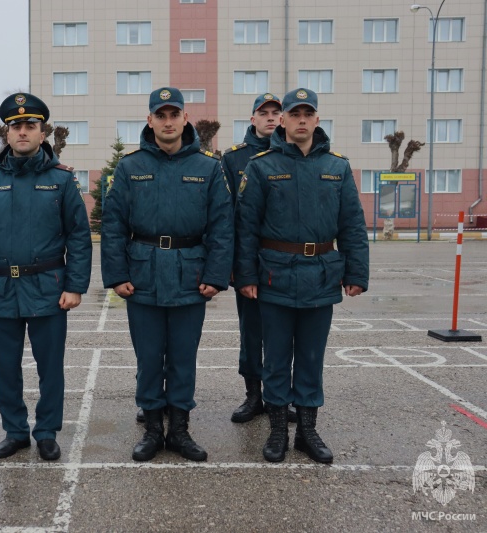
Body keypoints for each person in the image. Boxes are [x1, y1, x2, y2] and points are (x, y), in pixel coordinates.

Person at [235, 88, 369, 463]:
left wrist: (356, 271)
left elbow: (352, 225)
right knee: (275, 357)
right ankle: (278, 430)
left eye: (308, 114)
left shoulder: (338, 167)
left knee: (311, 357)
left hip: (322, 275)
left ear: (317, 119)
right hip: (275, 276)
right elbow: (246, 228)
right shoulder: (261, 166)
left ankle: (307, 430)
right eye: (295, 114)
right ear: (285, 120)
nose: (302, 120)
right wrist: (245, 275)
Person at [102, 87, 234, 462]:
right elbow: (113, 227)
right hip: (142, 273)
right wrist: (116, 275)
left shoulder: (208, 167)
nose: (167, 122)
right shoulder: (129, 167)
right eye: (160, 115)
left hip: (190, 274)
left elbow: (223, 227)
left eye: (174, 114)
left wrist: (216, 275)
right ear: (149, 121)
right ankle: (153, 431)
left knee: (182, 357)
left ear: (184, 118)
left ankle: (179, 430)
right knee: (148, 357)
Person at [0, 93, 92, 461]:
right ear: (7, 133)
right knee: (6, 367)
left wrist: (75, 285)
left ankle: (47, 431)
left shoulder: (62, 180)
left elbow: (79, 236)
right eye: (15, 126)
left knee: (50, 368)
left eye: (30, 126)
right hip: (0, 288)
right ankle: (15, 431)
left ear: (42, 132)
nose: (22, 131)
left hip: (49, 288)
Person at [221, 93, 296, 425]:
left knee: (285, 334)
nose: (269, 118)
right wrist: (235, 267)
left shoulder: (295, 154)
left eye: (275, 113)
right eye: (262, 113)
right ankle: (253, 396)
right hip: (250, 263)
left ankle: (281, 396)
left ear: (283, 119)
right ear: (251, 119)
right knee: (251, 333)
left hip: (287, 263)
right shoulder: (234, 160)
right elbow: (227, 217)